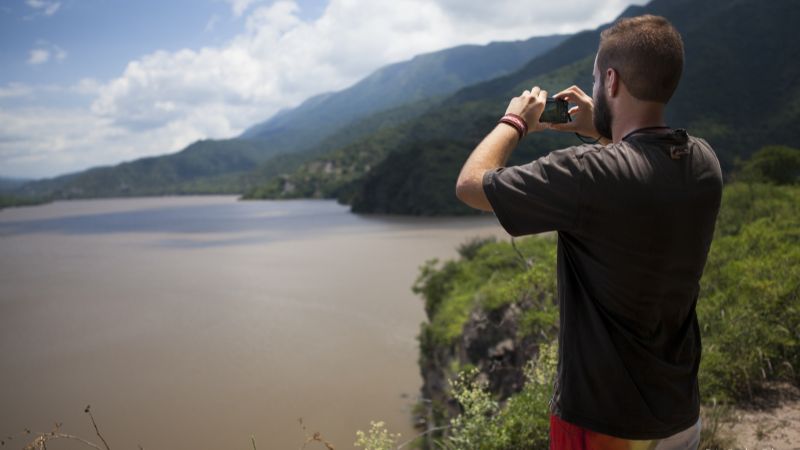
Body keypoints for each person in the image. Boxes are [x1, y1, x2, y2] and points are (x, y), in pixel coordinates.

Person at [455, 15, 723, 450]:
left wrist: (515, 121)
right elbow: (637, 175)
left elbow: (471, 185)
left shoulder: (586, 173)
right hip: (678, 410)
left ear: (611, 81)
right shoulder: (703, 162)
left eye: (597, 76)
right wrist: (603, 129)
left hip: (603, 421)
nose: (595, 84)